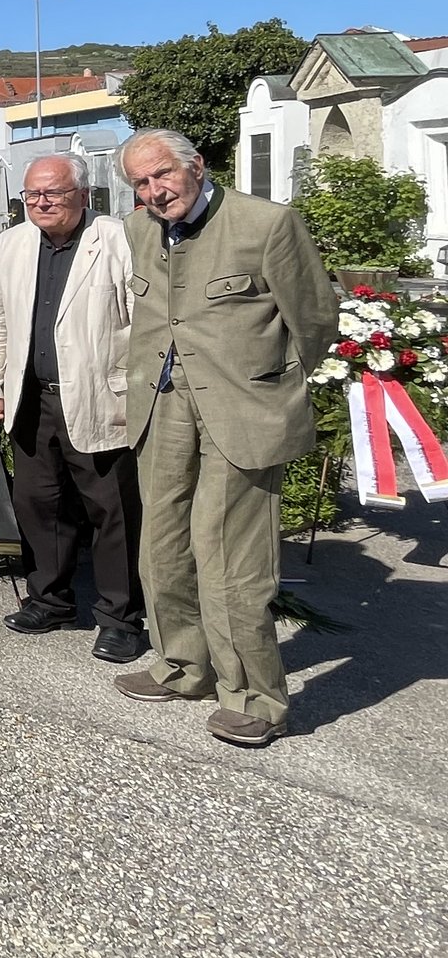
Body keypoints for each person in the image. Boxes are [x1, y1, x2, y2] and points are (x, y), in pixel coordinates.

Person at [115, 127, 338, 748]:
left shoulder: (265, 224)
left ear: (198, 167)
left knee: (228, 557)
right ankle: (183, 665)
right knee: (160, 544)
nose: (155, 192)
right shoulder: (137, 232)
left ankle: (256, 699)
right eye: (140, 183)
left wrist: (270, 387)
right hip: (161, 408)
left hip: (243, 412)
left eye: (163, 175)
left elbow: (315, 320)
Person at [0, 154, 144, 663]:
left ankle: (120, 618)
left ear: (83, 195)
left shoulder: (116, 239)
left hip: (97, 397)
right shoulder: (14, 242)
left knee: (111, 510)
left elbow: (142, 322)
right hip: (32, 398)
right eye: (31, 195)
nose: (40, 203)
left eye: (53, 193)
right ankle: (50, 600)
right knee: (39, 504)